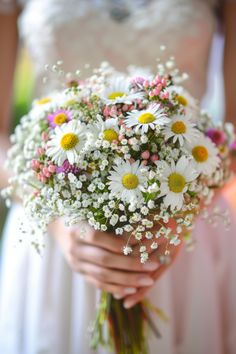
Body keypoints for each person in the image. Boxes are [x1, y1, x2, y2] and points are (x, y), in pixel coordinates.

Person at [0, 1, 235, 353]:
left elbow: (231, 133)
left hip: (181, 237)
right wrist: (62, 227)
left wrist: (180, 219)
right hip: (54, 239)